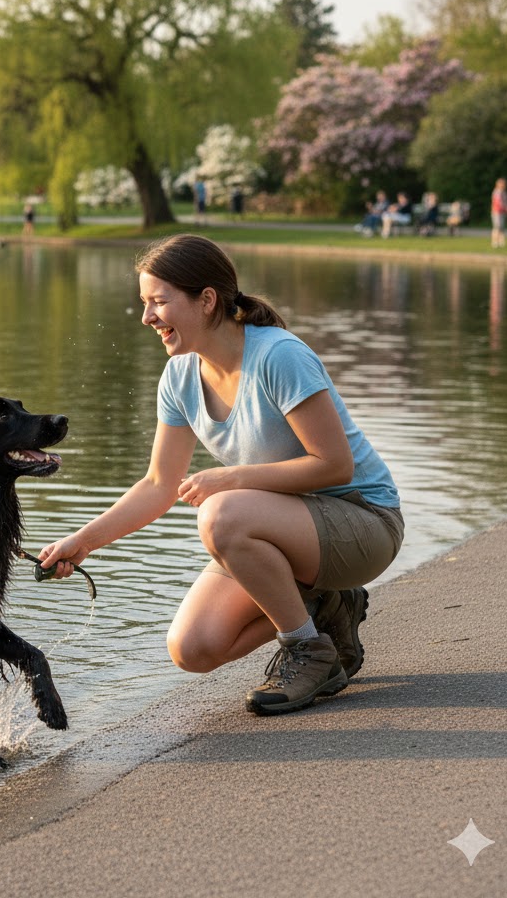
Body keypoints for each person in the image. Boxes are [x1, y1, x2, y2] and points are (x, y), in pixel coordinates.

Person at [39, 234, 404, 715]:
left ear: (207, 300)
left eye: (158, 302)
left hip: (363, 522)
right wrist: (83, 542)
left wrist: (230, 479)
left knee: (220, 514)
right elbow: (158, 485)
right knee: (193, 648)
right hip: (291, 528)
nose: (147, 317)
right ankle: (326, 610)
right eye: (144, 304)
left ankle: (307, 650)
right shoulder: (179, 377)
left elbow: (335, 465)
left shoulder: (278, 356)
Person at [491, 178, 507, 248]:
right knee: (497, 227)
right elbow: (498, 203)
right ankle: (495, 242)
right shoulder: (497, 192)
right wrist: (506, 208)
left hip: (503, 212)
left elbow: (506, 202)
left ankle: (501, 242)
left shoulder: (505, 193)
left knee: (502, 228)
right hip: (497, 212)